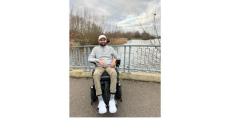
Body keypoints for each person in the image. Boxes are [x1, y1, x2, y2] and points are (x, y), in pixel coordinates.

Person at [88, 35, 120, 114]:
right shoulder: (95, 49)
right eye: (101, 40)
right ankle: (100, 100)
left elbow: (118, 56)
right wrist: (97, 60)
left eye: (104, 39)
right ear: (98, 41)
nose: (102, 41)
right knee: (95, 74)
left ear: (106, 40)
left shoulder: (110, 48)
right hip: (99, 67)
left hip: (109, 66)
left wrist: (114, 60)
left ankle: (112, 99)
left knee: (114, 73)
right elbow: (89, 58)